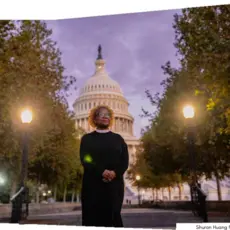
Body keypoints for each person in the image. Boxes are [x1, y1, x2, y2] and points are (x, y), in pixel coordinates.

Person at [80, 105, 129, 227]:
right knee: (93, 219)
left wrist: (115, 173)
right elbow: (86, 159)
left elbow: (124, 160)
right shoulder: (87, 139)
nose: (105, 117)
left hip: (114, 187)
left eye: (107, 115)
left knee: (113, 218)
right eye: (101, 115)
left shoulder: (119, 139)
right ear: (94, 119)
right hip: (92, 186)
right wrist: (101, 171)